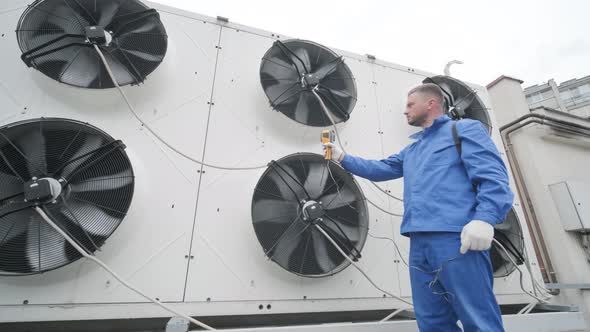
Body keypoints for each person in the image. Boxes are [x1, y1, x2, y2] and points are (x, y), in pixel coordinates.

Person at [323, 83, 514, 332]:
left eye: (410, 105)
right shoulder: (412, 149)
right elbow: (379, 169)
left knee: (478, 318)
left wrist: (486, 219)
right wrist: (341, 157)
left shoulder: (464, 130)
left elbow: (493, 176)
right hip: (419, 243)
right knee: (432, 322)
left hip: (456, 238)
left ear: (431, 104)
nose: (405, 111)